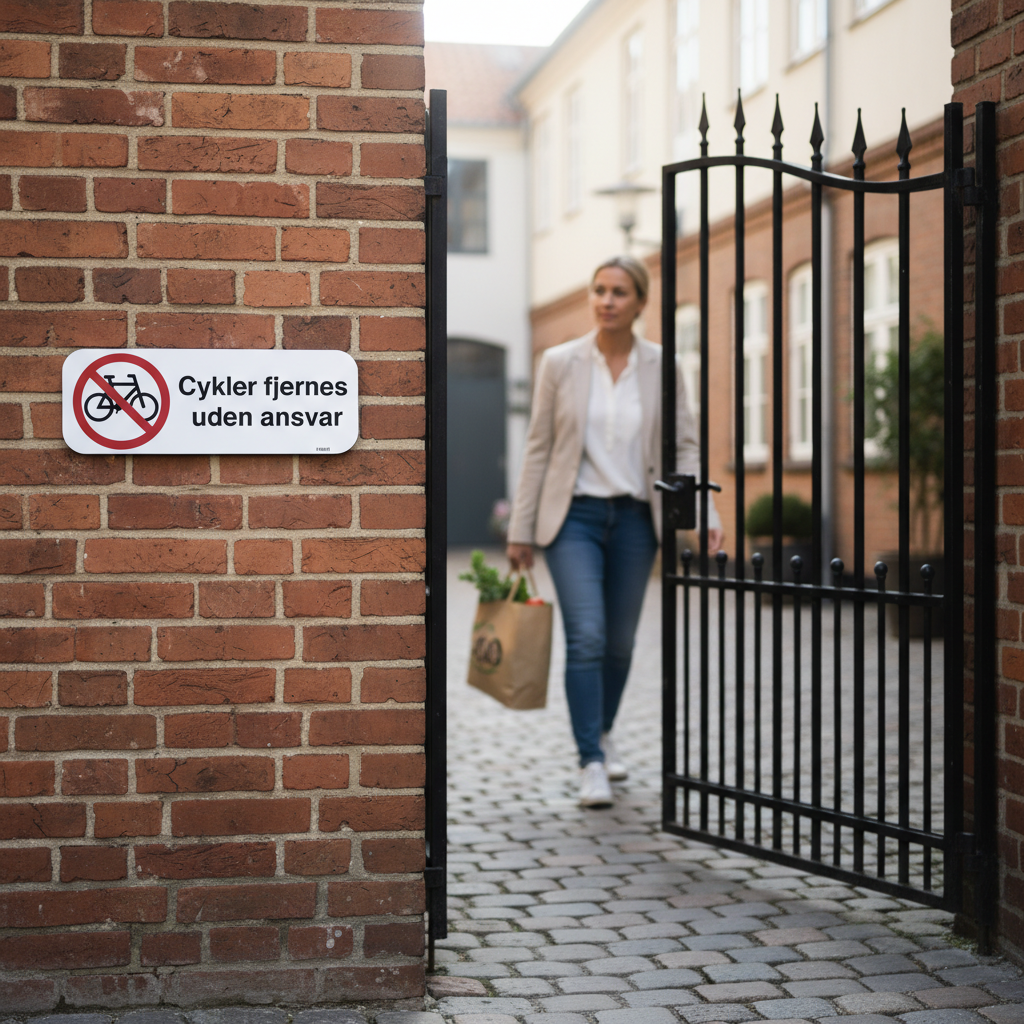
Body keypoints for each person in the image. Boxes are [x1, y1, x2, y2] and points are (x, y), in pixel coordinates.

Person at [506, 255, 723, 808]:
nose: (606, 300)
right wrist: (521, 529)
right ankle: (591, 762)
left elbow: (686, 446)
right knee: (589, 635)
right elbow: (538, 448)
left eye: (619, 292)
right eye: (599, 290)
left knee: (621, 644)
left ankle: (601, 730)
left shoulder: (663, 365)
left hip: (635, 519)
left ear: (640, 303)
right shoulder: (560, 363)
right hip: (572, 518)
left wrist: (706, 513)